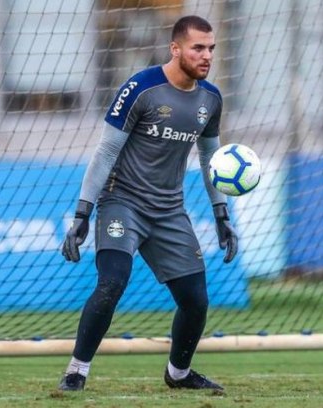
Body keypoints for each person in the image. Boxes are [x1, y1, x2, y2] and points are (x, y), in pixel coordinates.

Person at [58, 15, 236, 393]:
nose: (207, 56)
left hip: (170, 210)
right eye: (198, 48)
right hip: (122, 202)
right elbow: (106, 150)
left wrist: (221, 212)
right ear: (176, 49)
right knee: (111, 284)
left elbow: (210, 157)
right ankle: (77, 370)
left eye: (211, 49)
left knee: (196, 300)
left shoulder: (211, 99)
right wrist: (83, 212)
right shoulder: (141, 87)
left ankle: (179, 374)